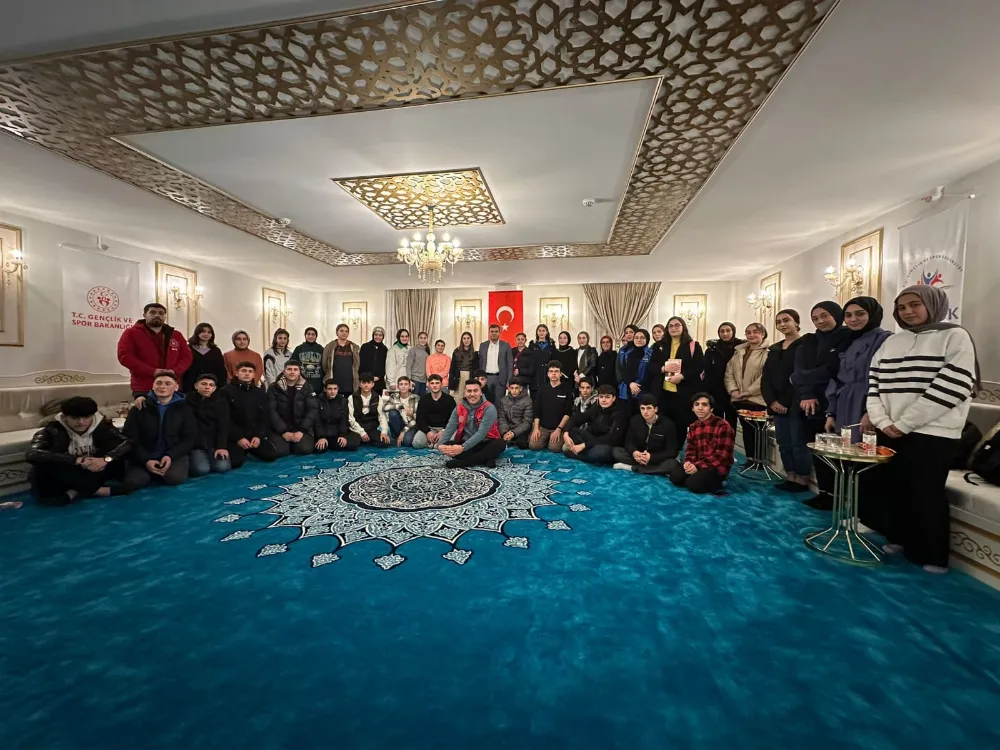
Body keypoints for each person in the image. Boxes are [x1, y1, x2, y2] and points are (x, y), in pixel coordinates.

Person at [867, 285, 979, 573]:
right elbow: (874, 384)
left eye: (915, 305)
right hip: (889, 429)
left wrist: (905, 423)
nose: (908, 312)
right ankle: (898, 538)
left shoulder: (954, 335)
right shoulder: (892, 342)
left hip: (933, 431)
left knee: (926, 492)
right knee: (894, 488)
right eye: (902, 307)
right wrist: (883, 422)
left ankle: (931, 554)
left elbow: (953, 385)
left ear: (932, 304)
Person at [791, 301, 852, 509]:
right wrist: (807, 392)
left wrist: (801, 378)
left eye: (825, 316)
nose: (820, 321)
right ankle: (824, 492)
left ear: (836, 315)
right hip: (808, 402)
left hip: (836, 402)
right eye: (815, 318)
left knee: (835, 451)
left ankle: (837, 495)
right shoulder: (809, 341)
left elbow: (832, 370)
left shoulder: (848, 337)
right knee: (816, 449)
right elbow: (799, 369)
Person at [25, 396, 136, 505]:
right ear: (65, 416)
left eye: (86, 417)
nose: (81, 422)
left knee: (115, 447)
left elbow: (126, 443)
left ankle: (75, 491)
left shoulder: (102, 426)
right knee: (44, 464)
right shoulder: (52, 430)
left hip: (93, 469)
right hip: (67, 472)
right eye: (75, 418)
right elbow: (32, 453)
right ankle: (93, 490)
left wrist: (105, 459)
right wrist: (77, 460)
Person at [122, 369, 198, 486]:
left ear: (176, 387)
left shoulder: (184, 408)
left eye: (168, 384)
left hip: (172, 453)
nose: (162, 387)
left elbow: (190, 436)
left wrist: (171, 455)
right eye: (159, 383)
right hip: (145, 454)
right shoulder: (139, 407)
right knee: (135, 481)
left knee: (174, 478)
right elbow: (130, 437)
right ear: (153, 386)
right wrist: (146, 460)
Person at [762, 309, 809, 493]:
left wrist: (784, 401)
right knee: (784, 443)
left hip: (796, 403)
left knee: (798, 443)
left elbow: (800, 376)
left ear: (796, 322)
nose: (782, 324)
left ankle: (802, 479)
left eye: (786, 320)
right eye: (778, 322)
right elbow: (766, 378)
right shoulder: (774, 349)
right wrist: (772, 401)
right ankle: (790, 476)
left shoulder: (805, 345)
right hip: (776, 404)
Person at [117, 302, 193, 398]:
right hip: (144, 386)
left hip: (171, 385)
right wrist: (152, 371)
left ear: (165, 317)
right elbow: (125, 357)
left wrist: (175, 371)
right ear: (144, 315)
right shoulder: (131, 333)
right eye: (153, 312)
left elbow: (187, 357)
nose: (157, 315)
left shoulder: (176, 335)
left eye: (161, 313)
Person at [652, 317, 705, 447]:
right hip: (663, 392)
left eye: (677, 325)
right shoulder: (659, 346)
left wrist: (682, 376)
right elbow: (652, 366)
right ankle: (666, 449)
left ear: (683, 327)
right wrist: (663, 368)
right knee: (664, 423)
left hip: (683, 393)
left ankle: (677, 449)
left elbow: (699, 366)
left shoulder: (693, 345)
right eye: (670, 326)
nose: (673, 328)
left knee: (680, 423)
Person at [669, 393, 735, 494]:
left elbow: (721, 456)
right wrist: (688, 462)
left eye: (704, 405)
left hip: (716, 467)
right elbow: (690, 449)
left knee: (694, 485)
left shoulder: (723, 426)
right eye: (697, 404)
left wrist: (697, 467)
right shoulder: (693, 426)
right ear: (693, 408)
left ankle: (719, 483)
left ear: (711, 409)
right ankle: (697, 479)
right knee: (675, 477)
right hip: (698, 464)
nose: (700, 408)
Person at [724, 323, 769, 463]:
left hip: (757, 399)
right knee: (747, 430)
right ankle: (750, 459)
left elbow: (766, 376)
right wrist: (734, 390)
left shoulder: (768, 353)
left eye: (755, 332)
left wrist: (748, 392)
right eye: (748, 332)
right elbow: (729, 373)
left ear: (762, 334)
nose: (751, 335)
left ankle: (760, 461)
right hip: (739, 398)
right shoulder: (738, 352)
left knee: (758, 431)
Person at [438, 380, 507, 469]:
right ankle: (485, 459)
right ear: (465, 393)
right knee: (448, 444)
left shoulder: (489, 408)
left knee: (500, 444)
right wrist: (441, 444)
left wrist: (462, 448)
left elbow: (481, 433)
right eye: (469, 391)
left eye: (475, 391)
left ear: (481, 392)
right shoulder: (459, 407)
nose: (472, 394)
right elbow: (450, 427)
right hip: (467, 442)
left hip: (485, 442)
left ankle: (465, 463)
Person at [222, 360, 279, 465]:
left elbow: (263, 417)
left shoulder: (259, 392)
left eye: (250, 371)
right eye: (244, 371)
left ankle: (250, 449)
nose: (247, 374)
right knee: (236, 462)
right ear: (236, 373)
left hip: (254, 436)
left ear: (253, 375)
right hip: (235, 437)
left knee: (270, 455)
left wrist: (258, 436)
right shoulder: (226, 391)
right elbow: (225, 419)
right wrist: (238, 438)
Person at [612, 394, 679, 475]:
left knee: (673, 464)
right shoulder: (634, 420)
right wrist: (634, 452)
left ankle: (633, 468)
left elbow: (672, 451)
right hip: (639, 456)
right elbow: (629, 442)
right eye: (642, 408)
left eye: (649, 408)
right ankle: (654, 470)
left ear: (655, 409)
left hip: (657, 458)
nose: (645, 412)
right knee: (616, 452)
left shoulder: (668, 424)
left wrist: (651, 457)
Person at [266, 360, 319, 456]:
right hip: (280, 428)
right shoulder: (273, 388)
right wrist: (283, 431)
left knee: (304, 449)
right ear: (284, 371)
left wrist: (302, 431)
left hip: (300, 427)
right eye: (289, 369)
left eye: (295, 369)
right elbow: (271, 411)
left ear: (299, 372)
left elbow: (312, 409)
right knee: (280, 451)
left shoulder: (307, 387)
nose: (292, 372)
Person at [562, 385, 625, 465]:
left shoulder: (619, 414)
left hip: (606, 444)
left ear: (613, 398)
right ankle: (587, 454)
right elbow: (577, 418)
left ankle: (575, 454)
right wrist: (566, 433)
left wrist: (584, 445)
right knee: (573, 430)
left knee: (601, 453)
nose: (603, 400)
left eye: (607, 397)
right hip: (592, 440)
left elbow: (612, 439)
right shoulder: (596, 408)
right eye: (601, 397)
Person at [186, 373, 232, 476]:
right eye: (204, 384)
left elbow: (223, 426)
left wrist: (221, 447)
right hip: (195, 445)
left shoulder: (221, 403)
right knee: (201, 470)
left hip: (214, 444)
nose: (207, 387)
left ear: (214, 388)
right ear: (196, 386)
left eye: (211, 385)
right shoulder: (187, 401)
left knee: (223, 467)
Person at [702, 322, 744, 429]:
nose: (725, 334)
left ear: (733, 331)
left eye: (728, 331)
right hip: (716, 390)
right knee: (716, 420)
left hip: (735, 390)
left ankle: (730, 439)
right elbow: (707, 371)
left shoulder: (741, 349)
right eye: (722, 331)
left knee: (732, 420)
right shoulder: (712, 349)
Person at [529, 361, 573, 451]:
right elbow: (537, 410)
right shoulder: (542, 389)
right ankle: (546, 439)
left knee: (554, 448)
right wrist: (536, 428)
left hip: (558, 427)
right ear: (548, 374)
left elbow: (568, 413)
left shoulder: (567, 389)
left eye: (556, 371)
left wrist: (559, 429)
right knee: (533, 446)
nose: (553, 373)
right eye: (551, 371)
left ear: (561, 374)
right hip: (543, 427)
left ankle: (551, 440)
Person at [412, 374, 457, 448]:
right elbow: (419, 419)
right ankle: (434, 444)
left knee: (452, 441)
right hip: (429, 428)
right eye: (432, 383)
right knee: (417, 443)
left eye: (437, 383)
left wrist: (443, 431)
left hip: (445, 428)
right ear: (429, 385)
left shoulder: (450, 399)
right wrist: (428, 432)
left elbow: (453, 419)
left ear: (441, 385)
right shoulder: (423, 400)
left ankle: (435, 444)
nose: (434, 385)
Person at [315, 380, 360, 452]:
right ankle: (327, 443)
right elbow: (317, 421)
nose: (332, 391)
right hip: (323, 432)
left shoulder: (343, 401)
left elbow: (344, 420)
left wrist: (342, 435)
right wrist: (321, 437)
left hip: (336, 432)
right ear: (325, 389)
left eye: (335, 389)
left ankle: (331, 444)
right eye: (330, 389)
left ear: (338, 389)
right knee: (319, 449)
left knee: (353, 443)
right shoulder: (318, 401)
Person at [183, 322, 227, 394]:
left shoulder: (216, 350)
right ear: (197, 333)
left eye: (209, 332)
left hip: (211, 386)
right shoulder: (188, 348)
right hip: (191, 385)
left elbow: (221, 370)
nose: (206, 334)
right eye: (203, 331)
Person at [618, 328, 655, 414]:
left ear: (647, 339)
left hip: (645, 390)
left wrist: (638, 387)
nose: (639, 340)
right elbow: (624, 371)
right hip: (629, 389)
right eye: (636, 337)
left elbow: (651, 373)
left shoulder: (651, 353)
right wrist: (630, 383)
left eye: (642, 337)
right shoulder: (628, 353)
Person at [348, 372, 388, 446]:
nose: (366, 385)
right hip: (356, 428)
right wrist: (362, 433)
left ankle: (367, 439)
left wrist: (384, 432)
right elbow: (351, 418)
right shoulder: (352, 398)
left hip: (371, 427)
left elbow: (382, 416)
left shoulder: (378, 397)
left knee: (384, 443)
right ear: (360, 384)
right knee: (352, 445)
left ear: (373, 384)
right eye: (363, 382)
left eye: (369, 382)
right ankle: (362, 439)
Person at [379, 375, 420, 446]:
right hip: (398, 424)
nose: (403, 386)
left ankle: (401, 437)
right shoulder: (394, 396)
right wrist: (401, 406)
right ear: (398, 386)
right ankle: (397, 436)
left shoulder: (416, 398)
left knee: (407, 442)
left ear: (409, 386)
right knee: (392, 413)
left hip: (410, 426)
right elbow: (384, 407)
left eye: (406, 384)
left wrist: (403, 432)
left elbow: (415, 419)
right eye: (401, 384)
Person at [321, 323, 361, 396]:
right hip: (334, 381)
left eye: (346, 331)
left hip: (350, 382)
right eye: (341, 331)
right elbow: (324, 364)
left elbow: (357, 364)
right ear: (337, 332)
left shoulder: (353, 347)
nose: (344, 333)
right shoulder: (330, 346)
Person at [478, 324, 514, 399]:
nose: (494, 333)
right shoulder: (483, 345)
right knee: (485, 402)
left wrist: (509, 380)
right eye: (492, 331)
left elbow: (510, 364)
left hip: (500, 379)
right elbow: (480, 363)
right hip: (486, 378)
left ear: (499, 333)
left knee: (499, 402)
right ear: (489, 333)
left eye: (496, 331)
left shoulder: (506, 345)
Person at [497, 376, 533, 449]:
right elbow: (502, 419)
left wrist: (514, 433)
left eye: (516, 388)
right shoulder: (503, 400)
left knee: (522, 444)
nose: (514, 390)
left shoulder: (527, 400)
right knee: (497, 441)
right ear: (509, 389)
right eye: (512, 388)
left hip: (521, 429)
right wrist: (504, 432)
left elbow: (527, 422)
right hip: (507, 428)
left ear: (521, 389)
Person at [290, 327, 325, 393]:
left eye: (313, 334)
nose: (310, 336)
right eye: (308, 334)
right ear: (305, 335)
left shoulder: (321, 349)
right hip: (301, 383)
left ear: (316, 336)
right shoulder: (299, 348)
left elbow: (325, 365)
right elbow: (292, 364)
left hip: (317, 383)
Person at [359, 327, 389, 396]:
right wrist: (366, 377)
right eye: (376, 334)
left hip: (379, 382)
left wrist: (379, 377)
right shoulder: (365, 347)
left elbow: (386, 365)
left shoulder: (385, 349)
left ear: (383, 337)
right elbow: (361, 363)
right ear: (373, 335)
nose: (378, 337)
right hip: (365, 381)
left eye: (380, 335)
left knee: (377, 400)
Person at [528, 324, 556, 394]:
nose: (541, 332)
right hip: (535, 377)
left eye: (543, 331)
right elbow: (529, 361)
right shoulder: (532, 345)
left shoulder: (551, 345)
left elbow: (554, 361)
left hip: (547, 376)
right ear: (537, 332)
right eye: (539, 330)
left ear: (547, 332)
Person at [450, 331, 479, 396]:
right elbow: (452, 368)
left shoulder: (475, 353)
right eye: (464, 338)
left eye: (468, 338)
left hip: (470, 376)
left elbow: (477, 368)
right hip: (459, 376)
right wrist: (451, 383)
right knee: (458, 396)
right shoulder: (456, 351)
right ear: (462, 340)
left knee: (469, 395)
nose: (466, 340)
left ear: (471, 340)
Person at [407, 332, 431, 396]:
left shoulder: (427, 351)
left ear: (427, 339)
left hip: (424, 380)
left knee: (422, 400)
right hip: (415, 379)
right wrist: (409, 380)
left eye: (424, 338)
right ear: (418, 339)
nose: (423, 340)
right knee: (414, 399)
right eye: (421, 338)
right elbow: (408, 366)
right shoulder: (413, 350)